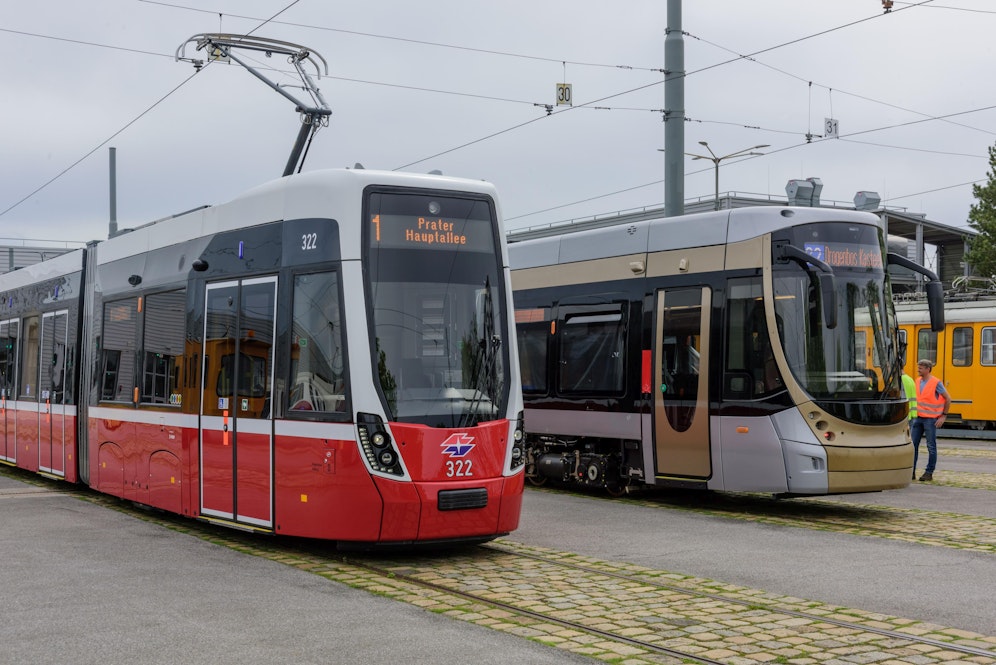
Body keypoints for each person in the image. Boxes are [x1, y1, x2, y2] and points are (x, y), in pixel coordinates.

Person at [910, 359, 951, 482]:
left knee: (931, 446)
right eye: (918, 367)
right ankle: (911, 472)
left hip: (930, 419)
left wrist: (943, 415)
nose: (918, 370)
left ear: (928, 369)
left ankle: (929, 472)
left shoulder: (936, 383)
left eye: (921, 368)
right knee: (913, 446)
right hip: (918, 418)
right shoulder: (917, 381)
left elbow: (948, 398)